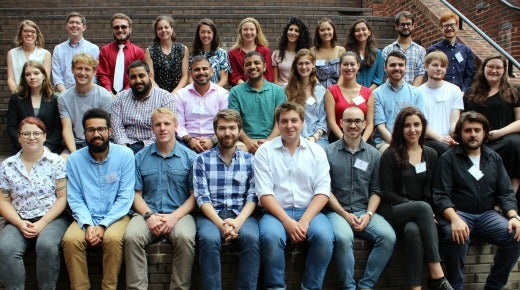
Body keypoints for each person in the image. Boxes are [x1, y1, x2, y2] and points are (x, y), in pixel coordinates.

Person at [433, 111, 520, 290]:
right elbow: (440, 195)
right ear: (460, 134)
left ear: (484, 132)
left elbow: (505, 193)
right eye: (468, 130)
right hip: (458, 214)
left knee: (516, 236)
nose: (473, 134)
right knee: (456, 235)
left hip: (487, 215)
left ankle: (494, 286)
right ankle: (455, 286)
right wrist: (455, 219)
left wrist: (513, 216)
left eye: (477, 130)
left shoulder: (494, 158)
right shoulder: (448, 158)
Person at [254, 102, 334, 290]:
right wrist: (287, 221)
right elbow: (264, 193)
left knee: (324, 237)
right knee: (271, 237)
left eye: (294, 121)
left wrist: (305, 221)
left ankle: (311, 287)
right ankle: (276, 287)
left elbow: (323, 191)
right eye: (284, 121)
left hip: (309, 211)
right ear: (278, 124)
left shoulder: (317, 151)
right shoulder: (265, 151)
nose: (289, 125)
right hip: (276, 213)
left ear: (303, 123)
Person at [379, 107, 453, 290]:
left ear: (423, 127)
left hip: (419, 216)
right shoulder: (389, 154)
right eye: (407, 126)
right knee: (423, 208)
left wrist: (424, 210)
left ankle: (415, 287)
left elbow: (432, 191)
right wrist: (418, 207)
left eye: (417, 125)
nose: (413, 130)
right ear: (400, 129)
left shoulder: (431, 154)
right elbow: (387, 192)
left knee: (413, 231)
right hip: (393, 209)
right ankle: (438, 275)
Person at [62, 108, 135, 290]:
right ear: (84, 133)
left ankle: (108, 287)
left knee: (112, 239)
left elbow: (125, 197)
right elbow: (75, 198)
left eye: (101, 129)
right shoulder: (74, 160)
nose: (96, 134)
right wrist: (88, 225)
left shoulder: (125, 155)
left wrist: (103, 225)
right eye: (91, 130)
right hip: (86, 215)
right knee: (70, 240)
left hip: (117, 215)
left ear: (110, 131)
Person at [124, 107, 197, 290]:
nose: (162, 128)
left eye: (167, 124)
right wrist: (149, 216)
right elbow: (136, 194)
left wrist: (174, 217)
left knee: (185, 237)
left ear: (176, 126)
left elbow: (195, 196)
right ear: (152, 128)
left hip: (179, 214)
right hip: (147, 212)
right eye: (158, 124)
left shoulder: (191, 158)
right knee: (131, 237)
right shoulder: (140, 157)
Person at [325, 106, 396, 290]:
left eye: (357, 121)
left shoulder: (373, 154)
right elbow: (325, 190)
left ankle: (366, 285)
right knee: (343, 238)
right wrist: (344, 214)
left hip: (364, 210)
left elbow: (376, 190)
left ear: (365, 124)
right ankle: (349, 286)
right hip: (337, 213)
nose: (353, 125)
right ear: (341, 123)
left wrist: (369, 214)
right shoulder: (328, 152)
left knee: (388, 236)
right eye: (348, 121)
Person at [0, 117, 70, 290]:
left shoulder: (56, 162)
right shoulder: (7, 165)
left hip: (52, 218)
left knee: (46, 245)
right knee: (6, 249)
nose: (31, 137)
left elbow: (62, 197)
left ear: (44, 136)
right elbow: (3, 200)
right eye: (26, 133)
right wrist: (19, 222)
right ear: (19, 137)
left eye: (36, 133)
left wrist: (42, 223)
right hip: (19, 218)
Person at [194, 109, 260, 289]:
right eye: (222, 128)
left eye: (232, 128)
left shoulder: (250, 161)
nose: (227, 133)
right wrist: (220, 224)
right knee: (208, 239)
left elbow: (252, 196)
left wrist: (237, 222)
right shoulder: (202, 160)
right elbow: (202, 197)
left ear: (239, 130)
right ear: (215, 132)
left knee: (252, 238)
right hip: (210, 215)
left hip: (241, 214)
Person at [464, 55, 520, 197]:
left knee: (516, 143)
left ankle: (511, 194)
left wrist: (499, 133)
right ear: (483, 69)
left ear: (504, 71)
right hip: (478, 141)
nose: (494, 70)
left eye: (498, 67)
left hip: (504, 139)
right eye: (490, 66)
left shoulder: (514, 91)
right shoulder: (471, 92)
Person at [111, 60, 175, 153]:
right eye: (133, 77)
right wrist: (125, 150)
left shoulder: (165, 97)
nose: (138, 81)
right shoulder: (120, 98)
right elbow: (117, 128)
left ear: (150, 75)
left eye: (141, 76)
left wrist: (146, 152)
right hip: (127, 147)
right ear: (128, 78)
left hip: (155, 147)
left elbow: (166, 128)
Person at [228, 51, 286, 153]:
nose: (252, 66)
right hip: (243, 141)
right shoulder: (235, 92)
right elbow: (234, 122)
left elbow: (280, 121)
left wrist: (268, 142)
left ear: (264, 67)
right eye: (248, 64)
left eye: (256, 63)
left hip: (273, 139)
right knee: (240, 150)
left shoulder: (278, 91)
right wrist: (248, 142)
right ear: (244, 69)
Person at [58, 53, 113, 153]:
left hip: (98, 142)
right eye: (79, 68)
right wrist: (74, 154)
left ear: (94, 72)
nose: (83, 73)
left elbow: (104, 129)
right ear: (72, 69)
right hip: (76, 143)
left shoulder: (104, 96)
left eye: (87, 69)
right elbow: (67, 129)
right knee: (63, 163)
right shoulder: (63, 98)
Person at [7, 60, 63, 154]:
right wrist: (25, 146)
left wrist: (46, 148)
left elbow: (58, 128)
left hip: (49, 149)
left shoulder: (54, 99)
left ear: (44, 75)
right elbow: (12, 127)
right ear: (24, 78)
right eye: (28, 74)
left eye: (36, 73)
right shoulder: (16, 99)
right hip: (22, 149)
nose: (32, 77)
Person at [175, 55, 228, 153]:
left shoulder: (222, 94)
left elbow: (225, 123)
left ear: (211, 71)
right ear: (190, 73)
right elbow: (178, 125)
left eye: (205, 69)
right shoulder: (180, 95)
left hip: (216, 141)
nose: (201, 72)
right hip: (186, 143)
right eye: (197, 70)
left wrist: (212, 141)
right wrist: (191, 140)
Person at [373, 51, 424, 153]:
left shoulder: (416, 93)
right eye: (392, 65)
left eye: (401, 65)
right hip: (384, 143)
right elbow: (380, 127)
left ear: (405, 68)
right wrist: (399, 146)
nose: (397, 68)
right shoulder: (376, 94)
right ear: (385, 68)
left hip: (411, 140)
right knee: (392, 154)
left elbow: (419, 123)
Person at [419, 51, 463, 156]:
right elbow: (421, 124)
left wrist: (452, 134)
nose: (439, 68)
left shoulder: (454, 90)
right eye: (435, 65)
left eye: (443, 66)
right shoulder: (417, 93)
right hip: (427, 140)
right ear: (425, 67)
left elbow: (454, 121)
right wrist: (441, 139)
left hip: (448, 139)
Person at [325, 51, 375, 143]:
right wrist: (345, 141)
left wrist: (361, 143)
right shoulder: (331, 91)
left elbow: (369, 124)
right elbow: (331, 122)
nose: (349, 68)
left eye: (352, 64)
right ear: (340, 66)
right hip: (338, 139)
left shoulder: (368, 93)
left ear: (358, 66)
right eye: (345, 64)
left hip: (362, 139)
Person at [285, 49, 328, 147]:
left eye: (307, 63)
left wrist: (314, 137)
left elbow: (323, 120)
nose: (304, 67)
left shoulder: (321, 91)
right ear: (296, 66)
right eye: (300, 64)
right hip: (292, 137)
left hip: (317, 139)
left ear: (313, 65)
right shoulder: (286, 90)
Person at [52, 12, 100, 93]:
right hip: (64, 93)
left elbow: (94, 75)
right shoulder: (58, 49)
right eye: (71, 22)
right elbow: (57, 77)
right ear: (66, 26)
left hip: (87, 93)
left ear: (84, 27)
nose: (74, 25)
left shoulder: (93, 49)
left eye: (77, 23)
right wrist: (66, 95)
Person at [97, 13, 144, 94]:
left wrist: (125, 93)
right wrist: (109, 92)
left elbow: (137, 75)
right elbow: (103, 74)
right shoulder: (105, 50)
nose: (120, 30)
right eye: (116, 27)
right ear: (112, 30)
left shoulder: (138, 52)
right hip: (108, 94)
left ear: (130, 29)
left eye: (124, 27)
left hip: (131, 94)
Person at [427, 12, 474, 93]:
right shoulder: (433, 50)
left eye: (452, 25)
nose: (449, 28)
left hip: (460, 94)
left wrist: (463, 91)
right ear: (441, 28)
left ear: (457, 26)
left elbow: (469, 75)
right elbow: (429, 74)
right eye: (445, 26)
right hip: (439, 92)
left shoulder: (466, 50)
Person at [145, 15, 189, 94]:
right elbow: (150, 77)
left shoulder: (182, 49)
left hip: (179, 94)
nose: (163, 30)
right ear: (156, 31)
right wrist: (162, 94)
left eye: (166, 27)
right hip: (158, 94)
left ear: (172, 29)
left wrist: (174, 93)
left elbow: (185, 76)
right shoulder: (150, 51)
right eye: (160, 28)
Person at [7, 20, 51, 94]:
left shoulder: (45, 54)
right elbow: (10, 79)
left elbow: (46, 78)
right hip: (18, 95)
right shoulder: (12, 53)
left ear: (37, 35)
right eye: (25, 31)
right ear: (21, 34)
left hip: (38, 95)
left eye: (33, 31)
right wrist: (18, 94)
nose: (29, 34)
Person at [382, 11, 426, 86]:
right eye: (402, 24)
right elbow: (386, 74)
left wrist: (412, 93)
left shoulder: (420, 50)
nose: (405, 27)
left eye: (408, 24)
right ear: (396, 26)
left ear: (413, 26)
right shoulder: (387, 50)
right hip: (393, 91)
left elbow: (420, 73)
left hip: (413, 92)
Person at [228, 17, 274, 86]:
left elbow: (269, 75)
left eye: (252, 29)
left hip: (262, 90)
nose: (249, 32)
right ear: (240, 32)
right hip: (242, 90)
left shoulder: (265, 51)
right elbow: (234, 76)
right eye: (245, 29)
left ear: (257, 32)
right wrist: (247, 88)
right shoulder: (233, 53)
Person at [344, 19, 384, 90]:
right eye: (357, 30)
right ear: (353, 34)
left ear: (369, 32)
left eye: (363, 29)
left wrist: (366, 92)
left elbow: (379, 78)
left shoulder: (378, 54)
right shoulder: (347, 53)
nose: (361, 32)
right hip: (351, 92)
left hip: (372, 93)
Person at [190, 18, 231, 87]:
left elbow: (224, 79)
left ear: (213, 34)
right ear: (198, 34)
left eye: (209, 32)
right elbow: (190, 77)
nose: (206, 35)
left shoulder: (221, 53)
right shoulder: (193, 54)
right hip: (197, 92)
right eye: (202, 32)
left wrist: (213, 91)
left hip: (216, 92)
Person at [272, 17, 311, 86]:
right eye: (290, 29)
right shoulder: (277, 54)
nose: (293, 33)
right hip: (282, 91)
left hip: (301, 90)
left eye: (296, 31)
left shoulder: (305, 54)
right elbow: (275, 81)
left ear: (301, 35)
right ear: (286, 32)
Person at [310, 18, 346, 88]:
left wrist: (335, 90)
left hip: (338, 89)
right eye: (322, 30)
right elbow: (312, 74)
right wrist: (320, 89)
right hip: (317, 89)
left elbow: (343, 74)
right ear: (318, 33)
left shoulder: (341, 50)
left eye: (329, 29)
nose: (326, 32)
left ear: (333, 31)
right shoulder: (312, 51)